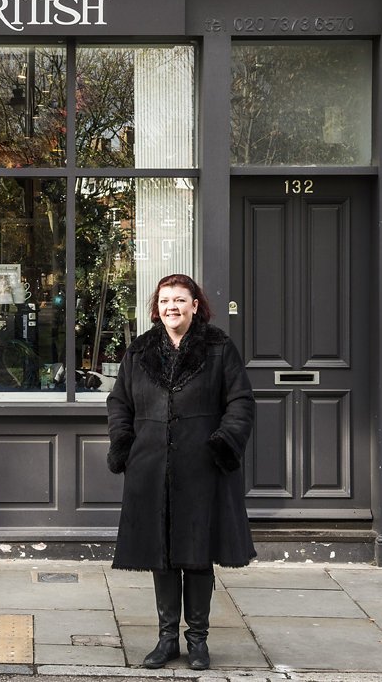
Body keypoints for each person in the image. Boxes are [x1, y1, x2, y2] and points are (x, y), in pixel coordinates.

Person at [105, 273, 256, 671]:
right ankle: (167, 638)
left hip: (202, 468)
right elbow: (119, 402)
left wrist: (223, 444)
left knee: (197, 555)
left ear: (195, 305)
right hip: (151, 467)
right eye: (165, 300)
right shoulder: (139, 351)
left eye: (180, 300)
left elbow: (240, 402)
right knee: (162, 555)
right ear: (156, 308)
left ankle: (198, 641)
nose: (172, 307)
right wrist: (125, 443)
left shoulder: (218, 347)